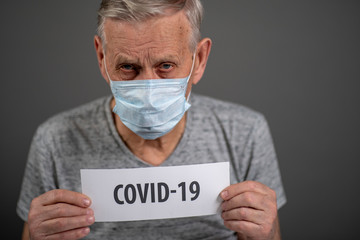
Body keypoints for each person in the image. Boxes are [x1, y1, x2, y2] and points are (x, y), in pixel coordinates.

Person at [17, 0, 286, 239]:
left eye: (166, 66)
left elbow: (267, 234)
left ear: (200, 59)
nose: (148, 89)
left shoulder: (245, 132)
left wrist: (265, 233)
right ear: (102, 57)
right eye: (128, 67)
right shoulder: (55, 139)